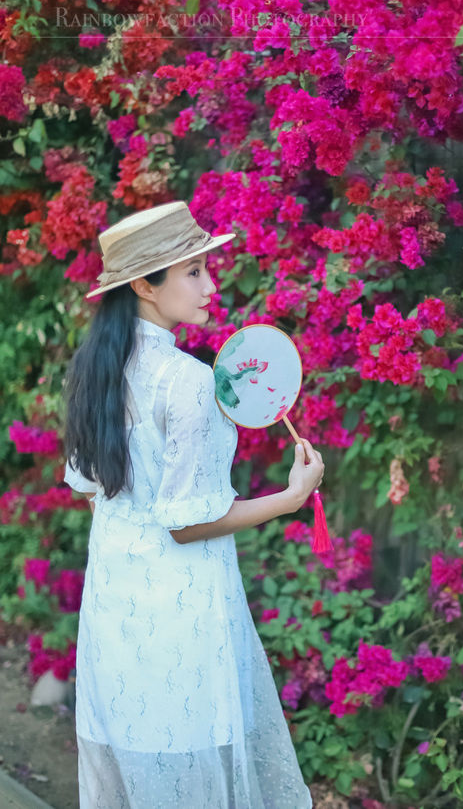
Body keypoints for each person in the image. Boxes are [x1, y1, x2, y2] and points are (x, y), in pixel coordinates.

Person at [62, 201, 324, 808]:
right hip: (181, 607)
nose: (212, 285)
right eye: (194, 272)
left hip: (113, 604)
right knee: (194, 766)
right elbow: (187, 526)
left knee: (134, 760)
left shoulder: (92, 368)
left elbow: (94, 493)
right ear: (142, 286)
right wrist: (292, 497)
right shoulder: (187, 380)